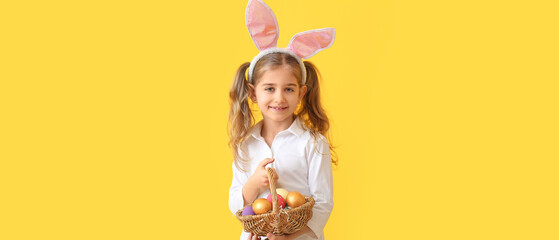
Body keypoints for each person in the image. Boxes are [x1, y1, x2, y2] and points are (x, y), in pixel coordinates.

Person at [228, 1, 337, 239]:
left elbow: (322, 204)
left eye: (288, 89)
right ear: (253, 93)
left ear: (301, 93)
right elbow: (236, 202)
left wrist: (287, 236)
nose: (279, 98)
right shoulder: (245, 143)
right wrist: (253, 184)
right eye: (269, 88)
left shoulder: (312, 143)